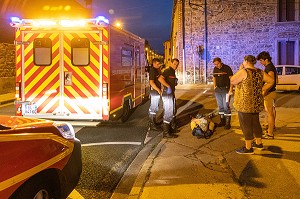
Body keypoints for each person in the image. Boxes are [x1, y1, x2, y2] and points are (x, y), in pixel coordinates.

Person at [231, 55, 273, 154]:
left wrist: (240, 69)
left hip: (245, 103)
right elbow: (271, 81)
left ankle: (248, 148)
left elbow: (233, 80)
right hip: (256, 103)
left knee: (246, 125)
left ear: (246, 61)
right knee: (255, 123)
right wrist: (261, 89)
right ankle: (258, 143)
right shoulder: (260, 72)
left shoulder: (244, 71)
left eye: (243, 61)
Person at [257, 51, 278, 139]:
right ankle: (271, 126)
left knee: (269, 113)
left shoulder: (269, 68)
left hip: (269, 93)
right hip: (272, 92)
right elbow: (277, 81)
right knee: (272, 112)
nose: (261, 62)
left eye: (261, 60)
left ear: (266, 59)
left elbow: (271, 81)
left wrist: (264, 91)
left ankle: (270, 133)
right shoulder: (271, 66)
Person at [158, 58, 179, 138]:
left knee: (173, 110)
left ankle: (170, 129)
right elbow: (160, 78)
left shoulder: (173, 71)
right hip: (167, 93)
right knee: (168, 112)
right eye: (174, 64)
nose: (176, 66)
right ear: (171, 63)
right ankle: (166, 133)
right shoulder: (168, 70)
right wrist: (168, 86)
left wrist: (174, 82)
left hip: (171, 93)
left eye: (177, 65)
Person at [212, 57, 233, 129]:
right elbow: (214, 77)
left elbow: (231, 79)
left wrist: (231, 89)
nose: (216, 66)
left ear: (220, 62)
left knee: (226, 106)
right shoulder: (215, 69)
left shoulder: (227, 68)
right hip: (218, 90)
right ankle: (222, 121)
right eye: (215, 64)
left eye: (217, 64)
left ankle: (227, 123)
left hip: (226, 89)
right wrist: (214, 86)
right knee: (220, 106)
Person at [148, 58, 162, 130]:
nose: (159, 65)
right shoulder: (152, 71)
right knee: (153, 108)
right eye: (157, 64)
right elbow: (151, 82)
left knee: (156, 107)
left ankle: (154, 122)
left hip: (156, 91)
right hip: (154, 91)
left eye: (159, 64)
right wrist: (158, 90)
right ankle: (152, 124)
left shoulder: (157, 70)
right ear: (153, 64)